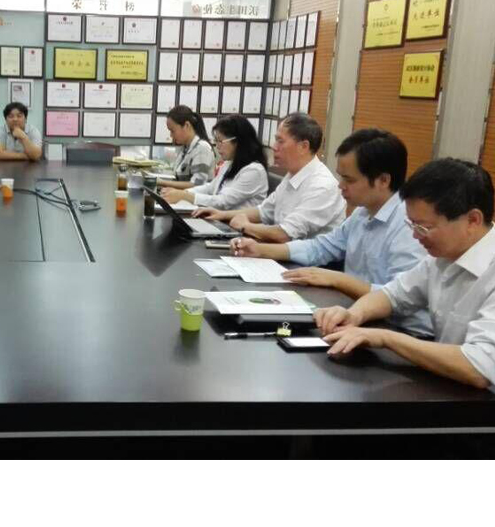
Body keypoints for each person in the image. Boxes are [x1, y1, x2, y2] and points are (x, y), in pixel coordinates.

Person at [230, 129, 430, 337]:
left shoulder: (410, 226)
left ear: (383, 180)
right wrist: (260, 249)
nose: (340, 186)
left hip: (402, 331)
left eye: (349, 180)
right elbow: (322, 247)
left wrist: (337, 279)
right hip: (358, 315)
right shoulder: (362, 212)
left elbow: (398, 297)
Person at [315, 158, 495, 390]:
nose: (415, 237)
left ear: (472, 220)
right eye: (412, 225)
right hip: (452, 388)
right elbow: (393, 295)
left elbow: (479, 367)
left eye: (424, 227)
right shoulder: (442, 257)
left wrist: (386, 338)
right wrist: (354, 315)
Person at [193, 113, 345, 242]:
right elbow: (264, 211)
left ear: (303, 146)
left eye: (280, 141)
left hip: (306, 264)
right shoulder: (293, 175)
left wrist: (246, 226)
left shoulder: (321, 186)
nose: (274, 146)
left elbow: (285, 234)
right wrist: (221, 215)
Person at [161, 114, 268, 209]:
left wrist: (186, 196)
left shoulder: (254, 171)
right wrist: (182, 193)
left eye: (220, 141)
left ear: (238, 141)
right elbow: (211, 187)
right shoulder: (229, 163)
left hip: (232, 224)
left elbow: (222, 202)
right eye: (216, 141)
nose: (217, 146)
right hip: (220, 220)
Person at [156, 105, 214, 190]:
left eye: (173, 131)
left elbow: (197, 185)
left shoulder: (202, 148)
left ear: (186, 125)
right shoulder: (185, 148)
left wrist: (162, 182)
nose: (171, 135)